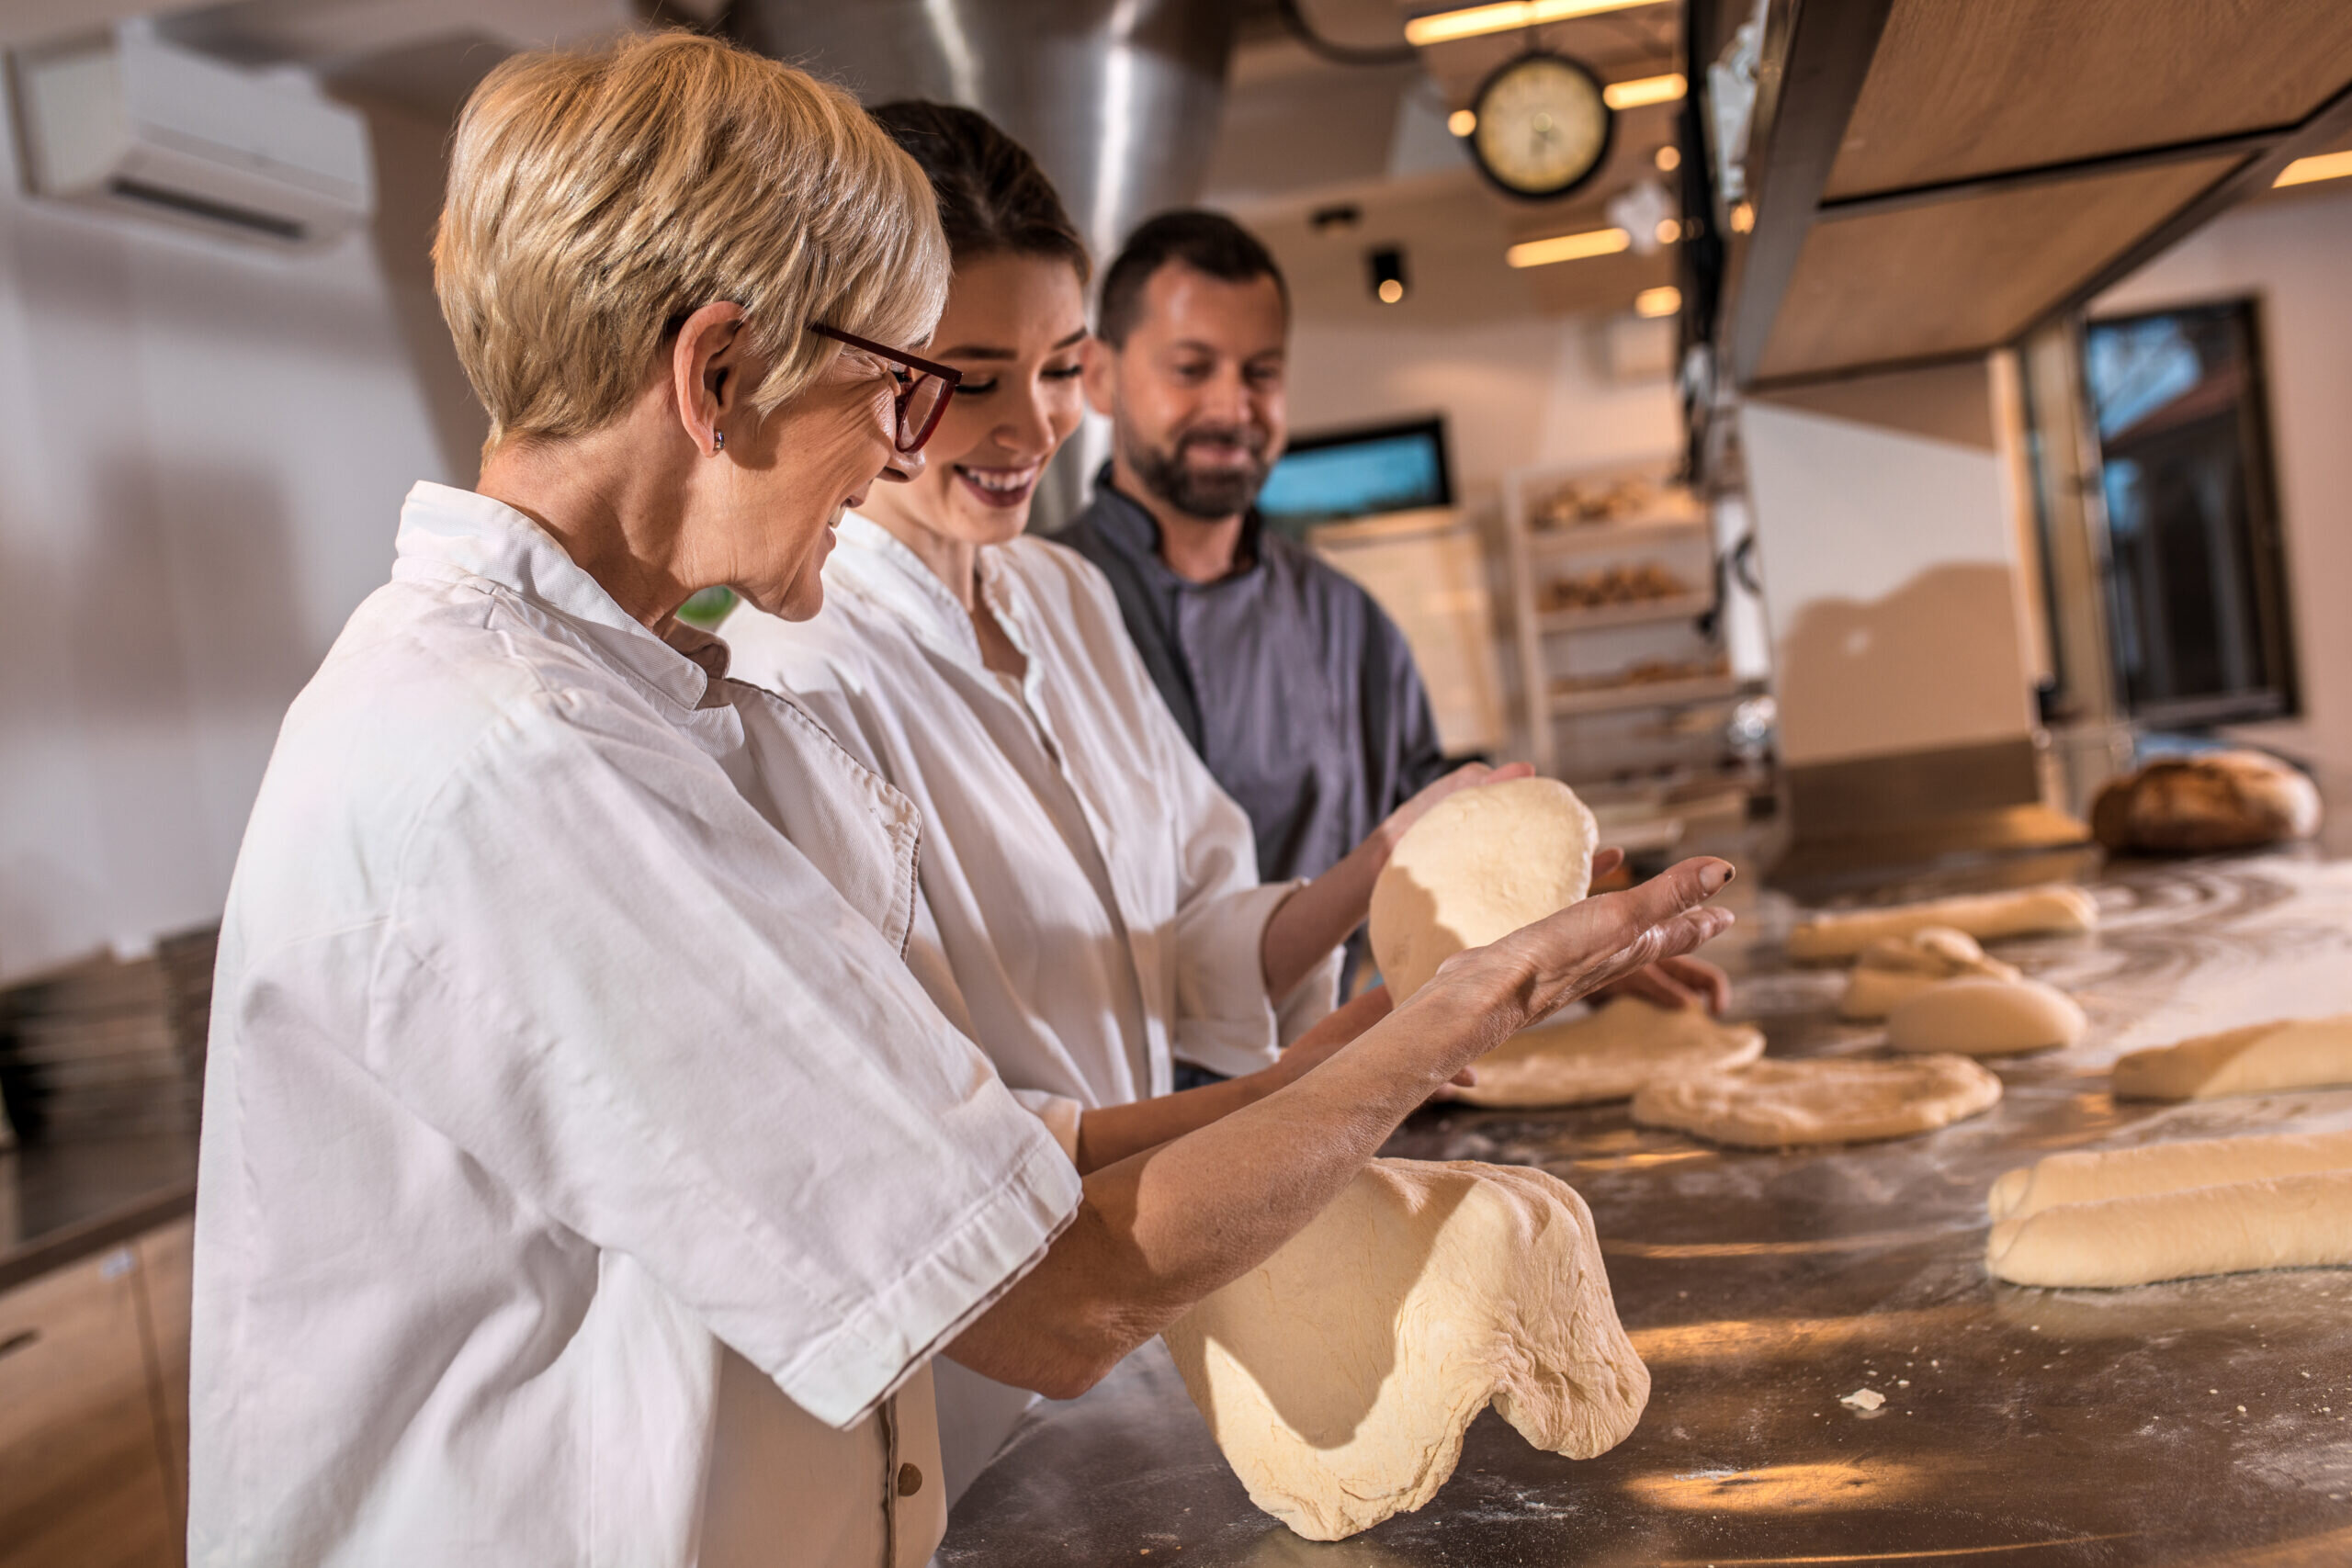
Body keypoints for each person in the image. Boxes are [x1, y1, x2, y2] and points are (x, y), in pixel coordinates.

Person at [187, 35, 1736, 1568]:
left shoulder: (614, 707)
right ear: (717, 375)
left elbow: (980, 1154)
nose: (905, 445)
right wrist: (1456, 1013)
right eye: (895, 383)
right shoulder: (516, 763)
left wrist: (1341, 1058)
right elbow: (1050, 1291)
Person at [717, 102, 1525, 1495]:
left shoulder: (1063, 595)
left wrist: (1389, 860)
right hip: (975, 1358)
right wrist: (1319, 1084)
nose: (1035, 424)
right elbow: (925, 1127)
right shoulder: (795, 671)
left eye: (1058, 367)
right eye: (973, 376)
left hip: (1152, 1277)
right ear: (865, 369)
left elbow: (1197, 932)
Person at [1058, 209, 1732, 1017]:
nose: (1233, 406)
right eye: (1191, 368)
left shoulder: (1346, 621)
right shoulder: (1035, 609)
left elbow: (1435, 835)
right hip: (1114, 1074)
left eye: (1261, 373)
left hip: (1336, 1058)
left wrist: (1572, 933)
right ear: (1098, 375)